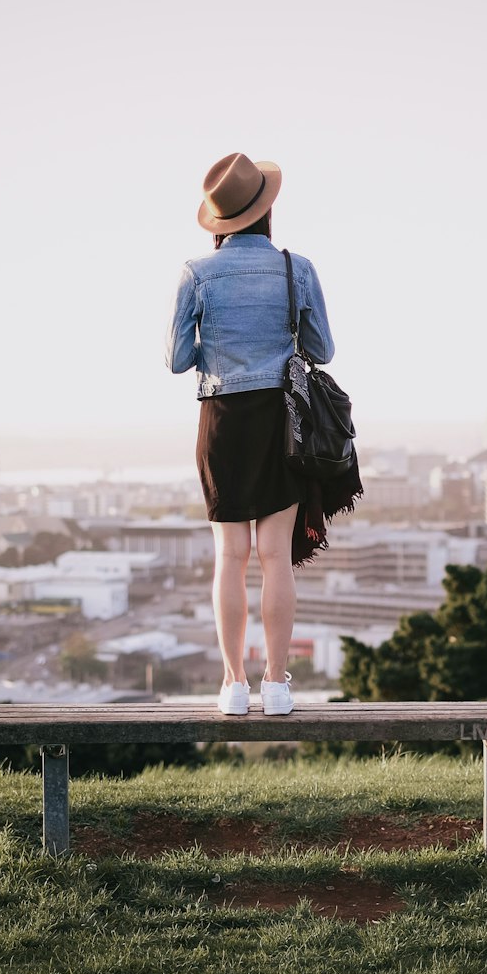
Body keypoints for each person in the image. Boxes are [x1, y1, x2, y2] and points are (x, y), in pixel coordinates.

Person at [166, 152, 337, 716]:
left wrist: (215, 348)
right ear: (266, 211)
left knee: (229, 556)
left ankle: (234, 685)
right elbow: (323, 350)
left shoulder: (196, 273)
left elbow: (176, 359)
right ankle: (279, 684)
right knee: (274, 556)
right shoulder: (297, 267)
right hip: (277, 419)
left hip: (220, 420)